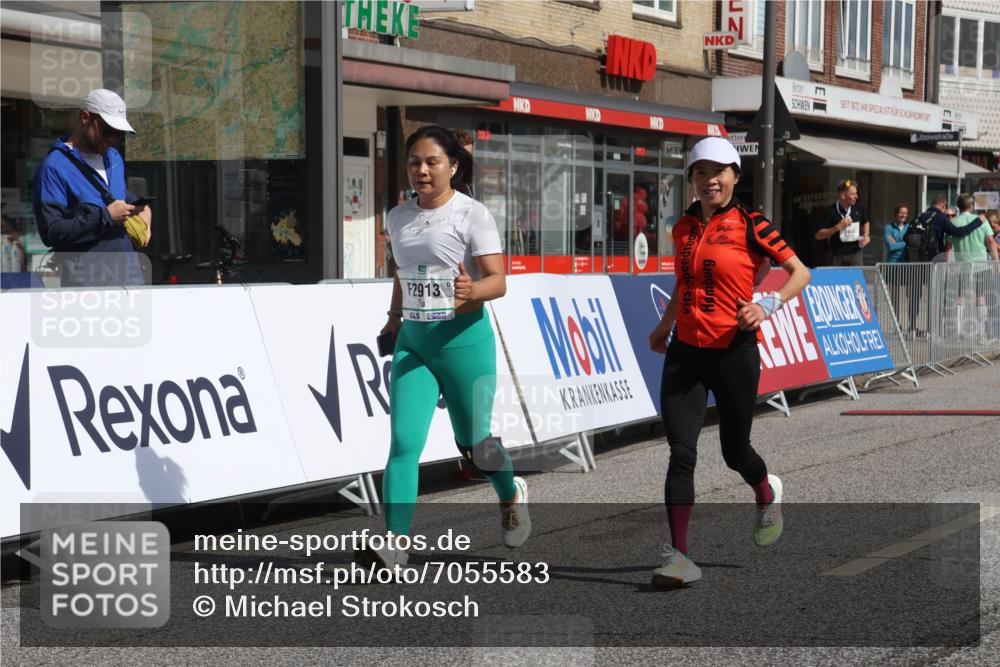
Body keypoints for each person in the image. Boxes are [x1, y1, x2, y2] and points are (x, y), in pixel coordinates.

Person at [358, 125, 529, 571]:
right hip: (415, 342)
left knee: (475, 448)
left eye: (432, 162)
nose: (422, 170)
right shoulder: (397, 216)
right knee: (402, 443)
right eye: (415, 162)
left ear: (452, 166)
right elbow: (402, 274)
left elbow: (499, 281)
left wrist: (472, 290)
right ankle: (395, 543)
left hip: (463, 341)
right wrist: (393, 319)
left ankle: (510, 495)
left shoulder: (472, 214)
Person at [646, 137, 811, 587]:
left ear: (736, 176)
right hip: (685, 354)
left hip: (734, 352)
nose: (709, 179)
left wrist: (768, 304)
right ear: (692, 180)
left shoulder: (752, 223)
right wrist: (665, 325)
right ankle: (680, 556)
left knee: (734, 452)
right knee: (681, 453)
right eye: (700, 172)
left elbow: (801, 272)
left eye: (719, 171)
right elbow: (685, 283)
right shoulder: (682, 228)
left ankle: (765, 490)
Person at [32, 89, 151, 286]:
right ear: (85, 117)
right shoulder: (53, 167)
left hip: (129, 279)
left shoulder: (113, 158)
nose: (112, 139)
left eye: (118, 135)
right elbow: (51, 232)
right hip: (88, 288)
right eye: (107, 131)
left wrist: (143, 209)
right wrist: (105, 217)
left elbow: (115, 196)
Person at [947, 195, 999, 340]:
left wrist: (949, 265)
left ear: (958, 207)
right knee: (980, 298)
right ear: (971, 206)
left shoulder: (954, 221)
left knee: (960, 298)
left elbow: (949, 246)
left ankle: (956, 334)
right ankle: (981, 333)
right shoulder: (981, 221)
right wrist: (996, 262)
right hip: (981, 265)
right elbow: (990, 241)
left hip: (961, 265)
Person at [813, 179, 870, 266]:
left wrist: (866, 235)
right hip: (836, 255)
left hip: (855, 254)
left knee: (855, 279)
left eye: (856, 193)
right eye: (853, 194)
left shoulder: (859, 208)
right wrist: (838, 227)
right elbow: (818, 235)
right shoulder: (830, 211)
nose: (856, 196)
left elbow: (866, 222)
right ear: (843, 195)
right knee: (836, 280)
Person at [883, 203, 918, 330]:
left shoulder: (910, 227)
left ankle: (912, 326)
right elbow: (890, 246)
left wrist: (898, 243)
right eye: (901, 213)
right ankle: (896, 325)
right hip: (892, 266)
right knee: (894, 298)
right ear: (895, 214)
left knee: (910, 296)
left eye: (905, 213)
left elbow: (914, 243)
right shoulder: (888, 227)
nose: (903, 215)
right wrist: (905, 243)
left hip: (907, 265)